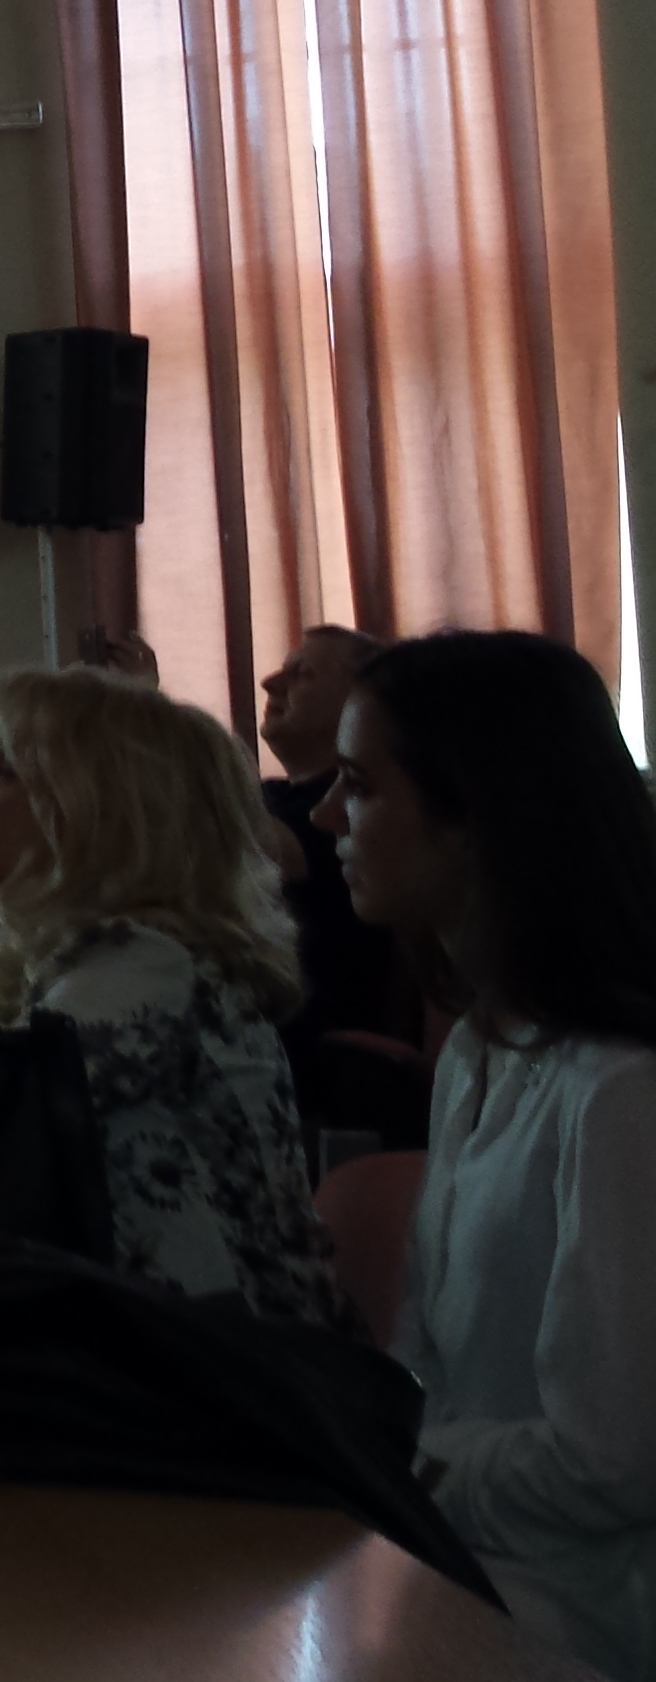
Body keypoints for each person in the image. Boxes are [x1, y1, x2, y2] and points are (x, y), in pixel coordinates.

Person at [315, 631, 656, 1680]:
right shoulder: (474, 1051)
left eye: (360, 787)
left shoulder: (621, 1088)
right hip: (471, 1566)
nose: (325, 817)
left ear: (472, 813)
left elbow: (609, 1466)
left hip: (587, 1615)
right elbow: (433, 1374)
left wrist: (389, 1463)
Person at [0, 665, 336, 1324]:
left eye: (3, 773)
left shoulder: (145, 967)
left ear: (102, 812)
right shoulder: (126, 960)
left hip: (227, 1366)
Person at [257, 625, 412, 1043]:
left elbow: (237, 843)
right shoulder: (268, 796)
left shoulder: (364, 812)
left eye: (302, 673)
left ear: (358, 701)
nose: (270, 683)